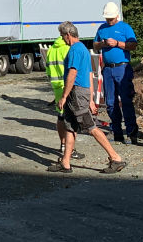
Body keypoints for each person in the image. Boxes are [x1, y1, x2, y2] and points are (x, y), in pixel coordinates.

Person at [51, 22, 127, 174]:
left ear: (67, 35)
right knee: (70, 126)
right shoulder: (84, 50)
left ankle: (115, 157)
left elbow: (72, 73)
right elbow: (89, 73)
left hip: (76, 94)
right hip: (82, 92)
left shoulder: (74, 50)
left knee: (90, 127)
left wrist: (64, 96)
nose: (62, 39)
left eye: (62, 35)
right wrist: (91, 98)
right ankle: (66, 163)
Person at [93, 1, 138, 143]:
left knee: (126, 100)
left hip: (122, 67)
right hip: (108, 69)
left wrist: (118, 43)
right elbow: (95, 46)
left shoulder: (125, 28)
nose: (109, 21)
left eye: (111, 18)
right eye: (107, 18)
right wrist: (102, 44)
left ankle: (131, 132)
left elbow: (133, 45)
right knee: (111, 102)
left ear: (117, 15)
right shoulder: (102, 28)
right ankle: (116, 130)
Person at [45, 23, 83, 161]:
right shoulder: (67, 49)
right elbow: (72, 70)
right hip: (66, 86)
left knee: (60, 116)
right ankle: (70, 149)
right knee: (70, 119)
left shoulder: (51, 50)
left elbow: (48, 70)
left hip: (56, 86)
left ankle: (62, 144)